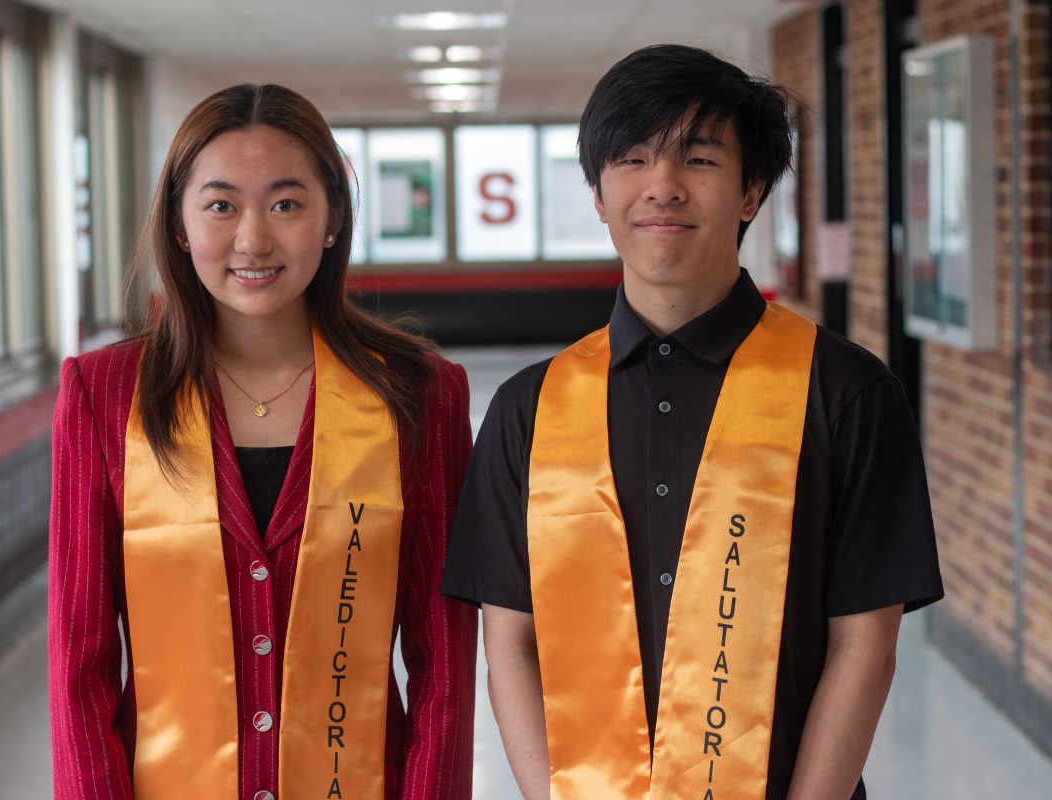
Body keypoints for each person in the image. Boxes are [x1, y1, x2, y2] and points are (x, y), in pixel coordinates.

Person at [441, 44, 943, 800]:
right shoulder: (528, 408)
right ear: (599, 194)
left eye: (699, 160)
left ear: (751, 191)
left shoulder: (845, 392)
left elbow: (864, 644)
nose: (663, 187)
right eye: (634, 159)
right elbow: (510, 642)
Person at [48, 83, 476, 800]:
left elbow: (444, 665)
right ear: (181, 224)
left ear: (333, 217)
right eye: (221, 205)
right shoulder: (106, 395)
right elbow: (78, 665)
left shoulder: (416, 395)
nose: (252, 239)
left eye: (286, 203)